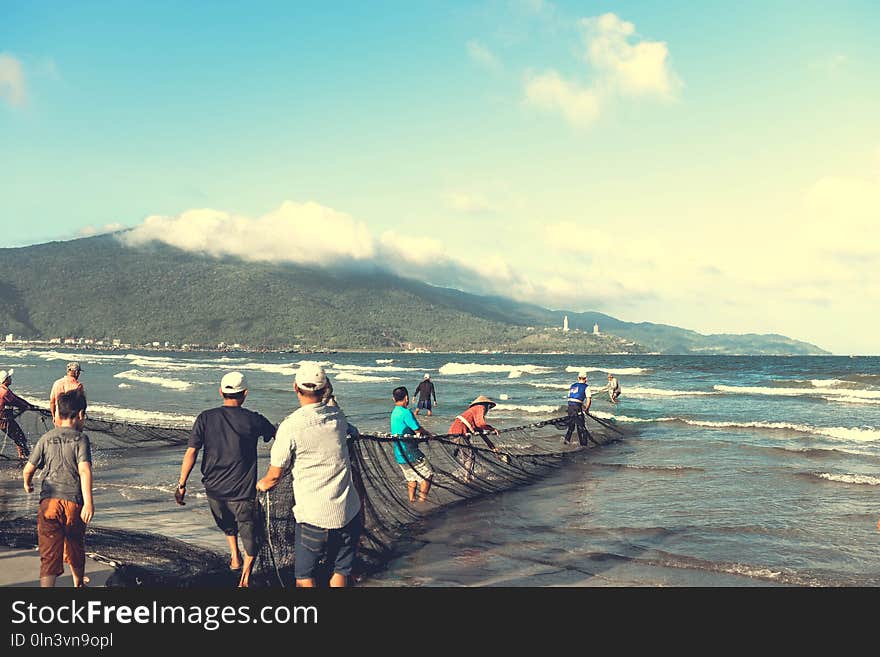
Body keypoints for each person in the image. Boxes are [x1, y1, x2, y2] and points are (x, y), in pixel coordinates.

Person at [257, 363, 362, 588]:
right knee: (340, 570)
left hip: (314, 518)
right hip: (348, 512)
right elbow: (352, 430)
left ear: (295, 387)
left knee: (305, 576)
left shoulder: (291, 426)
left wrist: (262, 484)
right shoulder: (338, 417)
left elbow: (275, 475)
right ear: (325, 388)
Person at [176, 372, 276, 587]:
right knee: (251, 538)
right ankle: (245, 579)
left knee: (227, 526)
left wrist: (181, 484)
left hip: (214, 491)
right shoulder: (254, 419)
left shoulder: (205, 417)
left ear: (221, 392)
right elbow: (275, 435)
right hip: (243, 494)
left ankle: (234, 556)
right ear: (245, 394)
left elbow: (191, 452)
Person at [22, 388, 93, 587]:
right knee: (75, 545)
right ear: (80, 415)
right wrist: (88, 503)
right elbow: (85, 471)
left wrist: (27, 484)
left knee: (49, 553)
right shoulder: (81, 439)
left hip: (48, 504)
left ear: (57, 415)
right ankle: (78, 583)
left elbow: (28, 469)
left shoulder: (45, 438)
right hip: (74, 504)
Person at [390, 386, 435, 502]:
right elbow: (417, 429)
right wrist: (429, 434)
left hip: (399, 453)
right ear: (406, 398)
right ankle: (422, 500)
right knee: (428, 474)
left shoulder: (394, 412)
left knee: (411, 478)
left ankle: (412, 500)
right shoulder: (406, 412)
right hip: (409, 452)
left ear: (393, 399)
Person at [448, 395, 501, 482]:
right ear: (486, 404)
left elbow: (482, 433)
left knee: (467, 455)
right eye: (489, 407)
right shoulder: (481, 407)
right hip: (459, 432)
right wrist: (492, 428)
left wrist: (492, 447)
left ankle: (466, 475)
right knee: (469, 456)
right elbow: (481, 424)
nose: (488, 409)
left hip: (454, 432)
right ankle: (466, 478)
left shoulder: (474, 412)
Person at [0, 368, 37, 459]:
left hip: (4, 419)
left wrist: (29, 405)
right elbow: (16, 402)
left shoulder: (3, 389)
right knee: (20, 438)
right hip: (4, 420)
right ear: (6, 380)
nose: (11, 379)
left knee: (18, 437)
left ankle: (23, 455)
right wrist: (27, 406)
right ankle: (22, 457)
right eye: (10, 377)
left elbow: (17, 399)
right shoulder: (5, 392)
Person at [564, 370, 593, 446]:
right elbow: (589, 400)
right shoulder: (586, 387)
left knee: (571, 426)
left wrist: (582, 406)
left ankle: (566, 442)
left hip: (570, 407)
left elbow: (573, 398)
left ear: (578, 378)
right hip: (577, 408)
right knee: (581, 427)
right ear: (586, 379)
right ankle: (583, 445)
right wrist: (587, 409)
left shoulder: (573, 386)